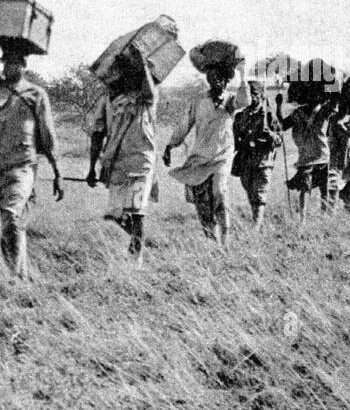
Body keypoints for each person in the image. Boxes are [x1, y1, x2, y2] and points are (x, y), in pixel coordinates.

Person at [0, 35, 62, 279]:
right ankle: (22, 275)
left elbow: (48, 134)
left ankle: (16, 279)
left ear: (24, 65)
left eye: (15, 63)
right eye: (6, 63)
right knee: (10, 224)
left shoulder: (36, 94)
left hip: (23, 167)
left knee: (11, 217)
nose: (10, 67)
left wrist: (57, 173)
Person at [164, 64, 251, 244]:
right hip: (200, 157)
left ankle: (225, 240)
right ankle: (212, 242)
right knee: (202, 201)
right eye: (212, 77)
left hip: (222, 155)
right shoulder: (199, 100)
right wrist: (170, 145)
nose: (216, 81)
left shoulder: (230, 101)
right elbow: (185, 124)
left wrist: (243, 76)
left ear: (226, 81)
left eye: (220, 77)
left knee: (219, 192)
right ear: (208, 80)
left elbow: (244, 101)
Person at [88, 47, 158, 264]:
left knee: (136, 211)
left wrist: (142, 62)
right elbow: (97, 134)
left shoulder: (144, 99)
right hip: (115, 162)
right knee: (115, 214)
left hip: (141, 161)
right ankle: (140, 241)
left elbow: (150, 93)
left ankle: (136, 259)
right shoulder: (107, 101)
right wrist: (92, 168)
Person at [230, 81, 282, 227]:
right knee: (251, 193)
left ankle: (256, 228)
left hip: (263, 161)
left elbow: (279, 140)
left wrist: (270, 135)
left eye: (254, 95)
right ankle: (257, 222)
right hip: (246, 161)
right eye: (249, 95)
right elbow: (234, 140)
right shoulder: (240, 117)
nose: (251, 98)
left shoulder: (269, 116)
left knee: (259, 194)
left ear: (261, 96)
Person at [277, 90, 333, 218]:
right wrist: (279, 106)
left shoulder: (301, 112)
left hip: (313, 156)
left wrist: (279, 105)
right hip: (319, 155)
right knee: (319, 188)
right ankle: (319, 217)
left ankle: (306, 219)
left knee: (307, 188)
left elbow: (282, 125)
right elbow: (282, 126)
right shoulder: (322, 110)